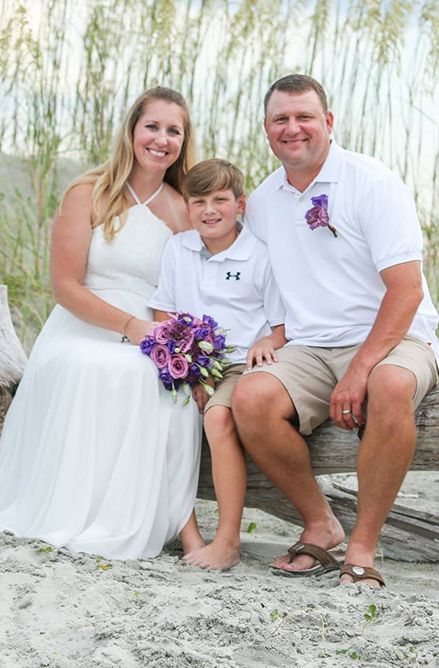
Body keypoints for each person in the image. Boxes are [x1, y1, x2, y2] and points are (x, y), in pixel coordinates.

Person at [0, 87, 205, 560]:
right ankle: (77, 510)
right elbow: (65, 287)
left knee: (160, 381)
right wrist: (130, 327)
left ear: (184, 142)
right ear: (131, 131)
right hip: (82, 326)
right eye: (152, 126)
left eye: (174, 131)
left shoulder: (183, 208)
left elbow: (188, 290)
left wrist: (177, 341)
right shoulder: (89, 193)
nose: (161, 139)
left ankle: (148, 519)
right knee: (95, 366)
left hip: (151, 334)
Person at [232, 74, 439, 589]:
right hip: (309, 345)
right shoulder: (262, 201)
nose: (293, 128)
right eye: (281, 119)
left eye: (304, 116)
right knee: (251, 397)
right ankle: (320, 522)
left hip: (395, 336)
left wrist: (361, 370)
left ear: (327, 122)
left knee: (389, 386)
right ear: (266, 129)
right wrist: (270, 335)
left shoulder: (371, 182)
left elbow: (406, 291)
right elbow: (259, 282)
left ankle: (363, 547)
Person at [148, 158, 287, 571]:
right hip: (187, 361)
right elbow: (164, 316)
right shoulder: (179, 248)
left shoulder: (259, 255)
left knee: (216, 418)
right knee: (159, 414)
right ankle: (185, 530)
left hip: (239, 364)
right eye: (199, 201)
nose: (210, 210)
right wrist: (186, 367)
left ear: (240, 204)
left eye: (220, 200)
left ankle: (227, 541)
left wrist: (266, 340)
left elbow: (281, 327)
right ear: (187, 207)